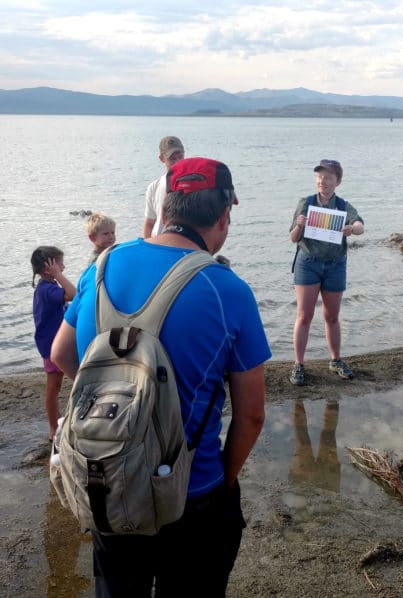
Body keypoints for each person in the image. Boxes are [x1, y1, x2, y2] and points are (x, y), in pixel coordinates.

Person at [51, 157, 269, 597]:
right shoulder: (229, 291)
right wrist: (222, 482)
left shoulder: (102, 266)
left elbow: (61, 355)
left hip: (108, 479)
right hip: (193, 491)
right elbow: (252, 416)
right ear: (224, 217)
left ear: (165, 209)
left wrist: (113, 404)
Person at [289, 159, 364, 386]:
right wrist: (300, 225)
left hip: (335, 264)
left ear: (337, 181)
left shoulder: (343, 206)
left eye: (328, 177)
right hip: (307, 262)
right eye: (320, 177)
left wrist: (353, 228)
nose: (323, 181)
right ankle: (298, 364)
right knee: (304, 316)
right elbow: (293, 237)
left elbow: (360, 225)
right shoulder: (306, 203)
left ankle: (335, 360)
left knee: (331, 316)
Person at [30, 246, 76, 441]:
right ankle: (52, 427)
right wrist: (59, 276)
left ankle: (56, 421)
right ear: (48, 268)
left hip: (55, 342)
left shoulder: (47, 288)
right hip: (51, 344)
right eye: (59, 263)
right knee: (53, 386)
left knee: (56, 385)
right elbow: (73, 294)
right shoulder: (48, 289)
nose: (63, 265)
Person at [142, 135, 185, 238]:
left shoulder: (193, 184)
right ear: (162, 159)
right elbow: (149, 224)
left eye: (180, 157)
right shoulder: (153, 187)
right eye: (172, 159)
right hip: (158, 242)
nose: (178, 162)